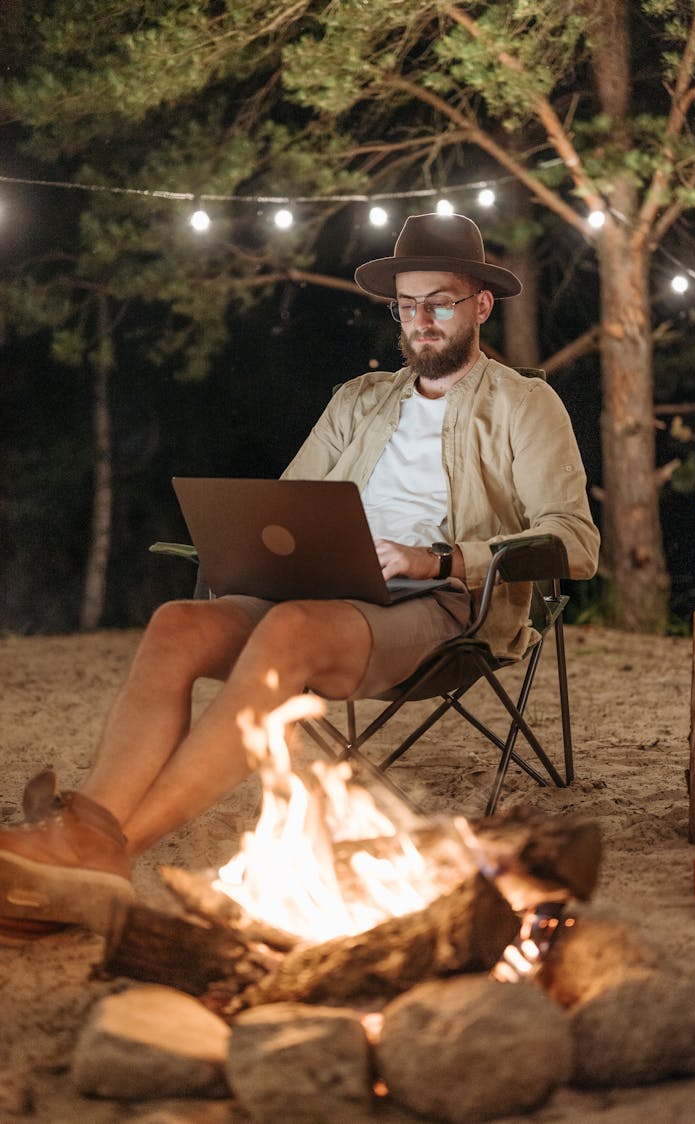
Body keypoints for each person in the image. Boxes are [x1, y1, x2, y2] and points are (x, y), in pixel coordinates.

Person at [0, 212, 600, 937]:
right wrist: (258, 544)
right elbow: (291, 504)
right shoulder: (359, 401)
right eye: (407, 305)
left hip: (446, 604)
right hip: (326, 589)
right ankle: (89, 829)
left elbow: (573, 541)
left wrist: (439, 559)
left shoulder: (524, 405)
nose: (421, 320)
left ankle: (110, 850)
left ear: (480, 305)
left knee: (288, 629)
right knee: (177, 624)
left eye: (439, 301)